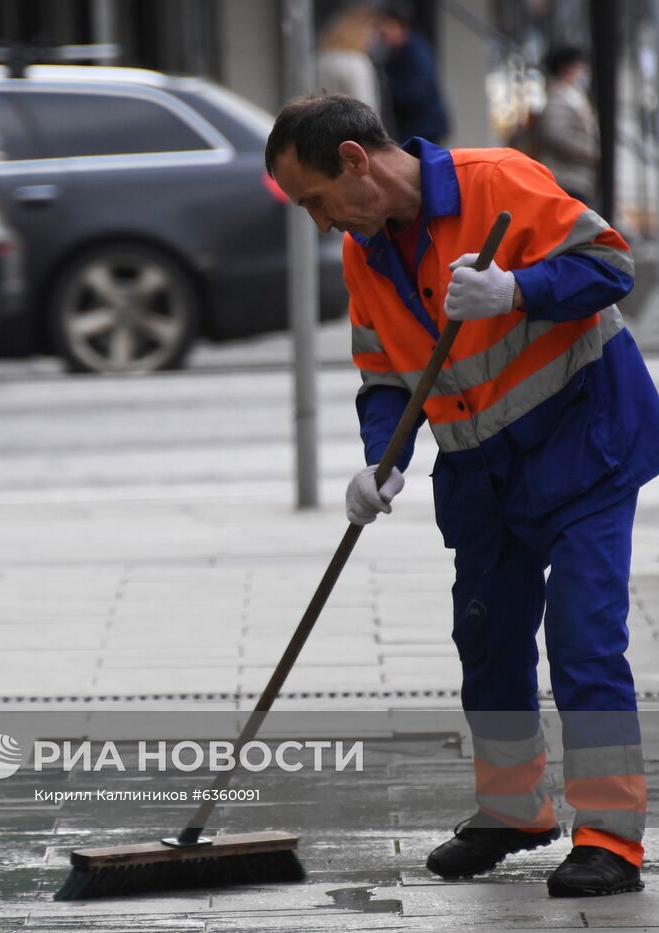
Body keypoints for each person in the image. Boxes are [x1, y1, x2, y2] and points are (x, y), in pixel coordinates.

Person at [265, 94, 659, 898]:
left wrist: (518, 289)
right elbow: (384, 373)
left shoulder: (499, 183)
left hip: (581, 441)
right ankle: (513, 812)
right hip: (484, 470)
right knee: (487, 639)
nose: (318, 223)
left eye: (314, 200)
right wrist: (382, 461)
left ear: (353, 161)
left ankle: (609, 839)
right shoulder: (365, 255)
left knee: (582, 639)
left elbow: (613, 265)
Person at [376, 2, 450, 143]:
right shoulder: (398, 51)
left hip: (423, 128)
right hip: (416, 126)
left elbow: (415, 93)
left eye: (386, 26)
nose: (382, 32)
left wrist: (385, 87)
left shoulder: (415, 52)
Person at [536, 45, 600, 205]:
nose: (583, 71)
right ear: (566, 68)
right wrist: (590, 151)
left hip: (575, 176)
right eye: (579, 66)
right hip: (566, 177)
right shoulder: (559, 96)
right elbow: (556, 134)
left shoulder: (571, 94)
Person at [317, 4, 382, 115]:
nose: (375, 36)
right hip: (349, 128)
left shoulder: (320, 58)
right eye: (371, 28)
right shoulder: (357, 62)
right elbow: (366, 110)